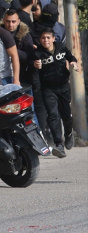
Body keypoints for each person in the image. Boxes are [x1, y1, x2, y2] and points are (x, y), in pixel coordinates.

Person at [34, 28, 79, 158]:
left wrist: (73, 62)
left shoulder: (61, 47)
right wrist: (34, 66)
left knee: (66, 115)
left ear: (54, 39)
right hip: (48, 89)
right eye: (43, 38)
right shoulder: (38, 54)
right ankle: (59, 144)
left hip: (63, 86)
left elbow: (71, 56)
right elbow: (32, 70)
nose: (45, 40)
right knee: (53, 115)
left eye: (48, 37)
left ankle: (69, 134)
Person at [1, 10, 46, 126]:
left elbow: (29, 56)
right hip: (3, 76)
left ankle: (37, 135)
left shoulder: (24, 35)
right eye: (8, 21)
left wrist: (13, 51)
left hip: (23, 78)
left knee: (28, 110)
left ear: (18, 22)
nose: (10, 25)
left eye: (13, 22)